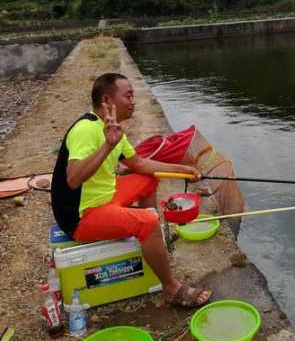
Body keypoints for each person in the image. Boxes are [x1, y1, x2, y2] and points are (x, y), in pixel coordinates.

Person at [51, 72, 212, 308]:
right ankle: (172, 288)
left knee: (147, 179)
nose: (133, 101)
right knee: (147, 221)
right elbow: (73, 179)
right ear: (107, 101)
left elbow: (139, 164)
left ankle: (148, 237)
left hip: (105, 197)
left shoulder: (114, 129)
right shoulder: (86, 129)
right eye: (128, 95)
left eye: (134, 95)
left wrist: (182, 169)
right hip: (81, 216)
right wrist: (108, 145)